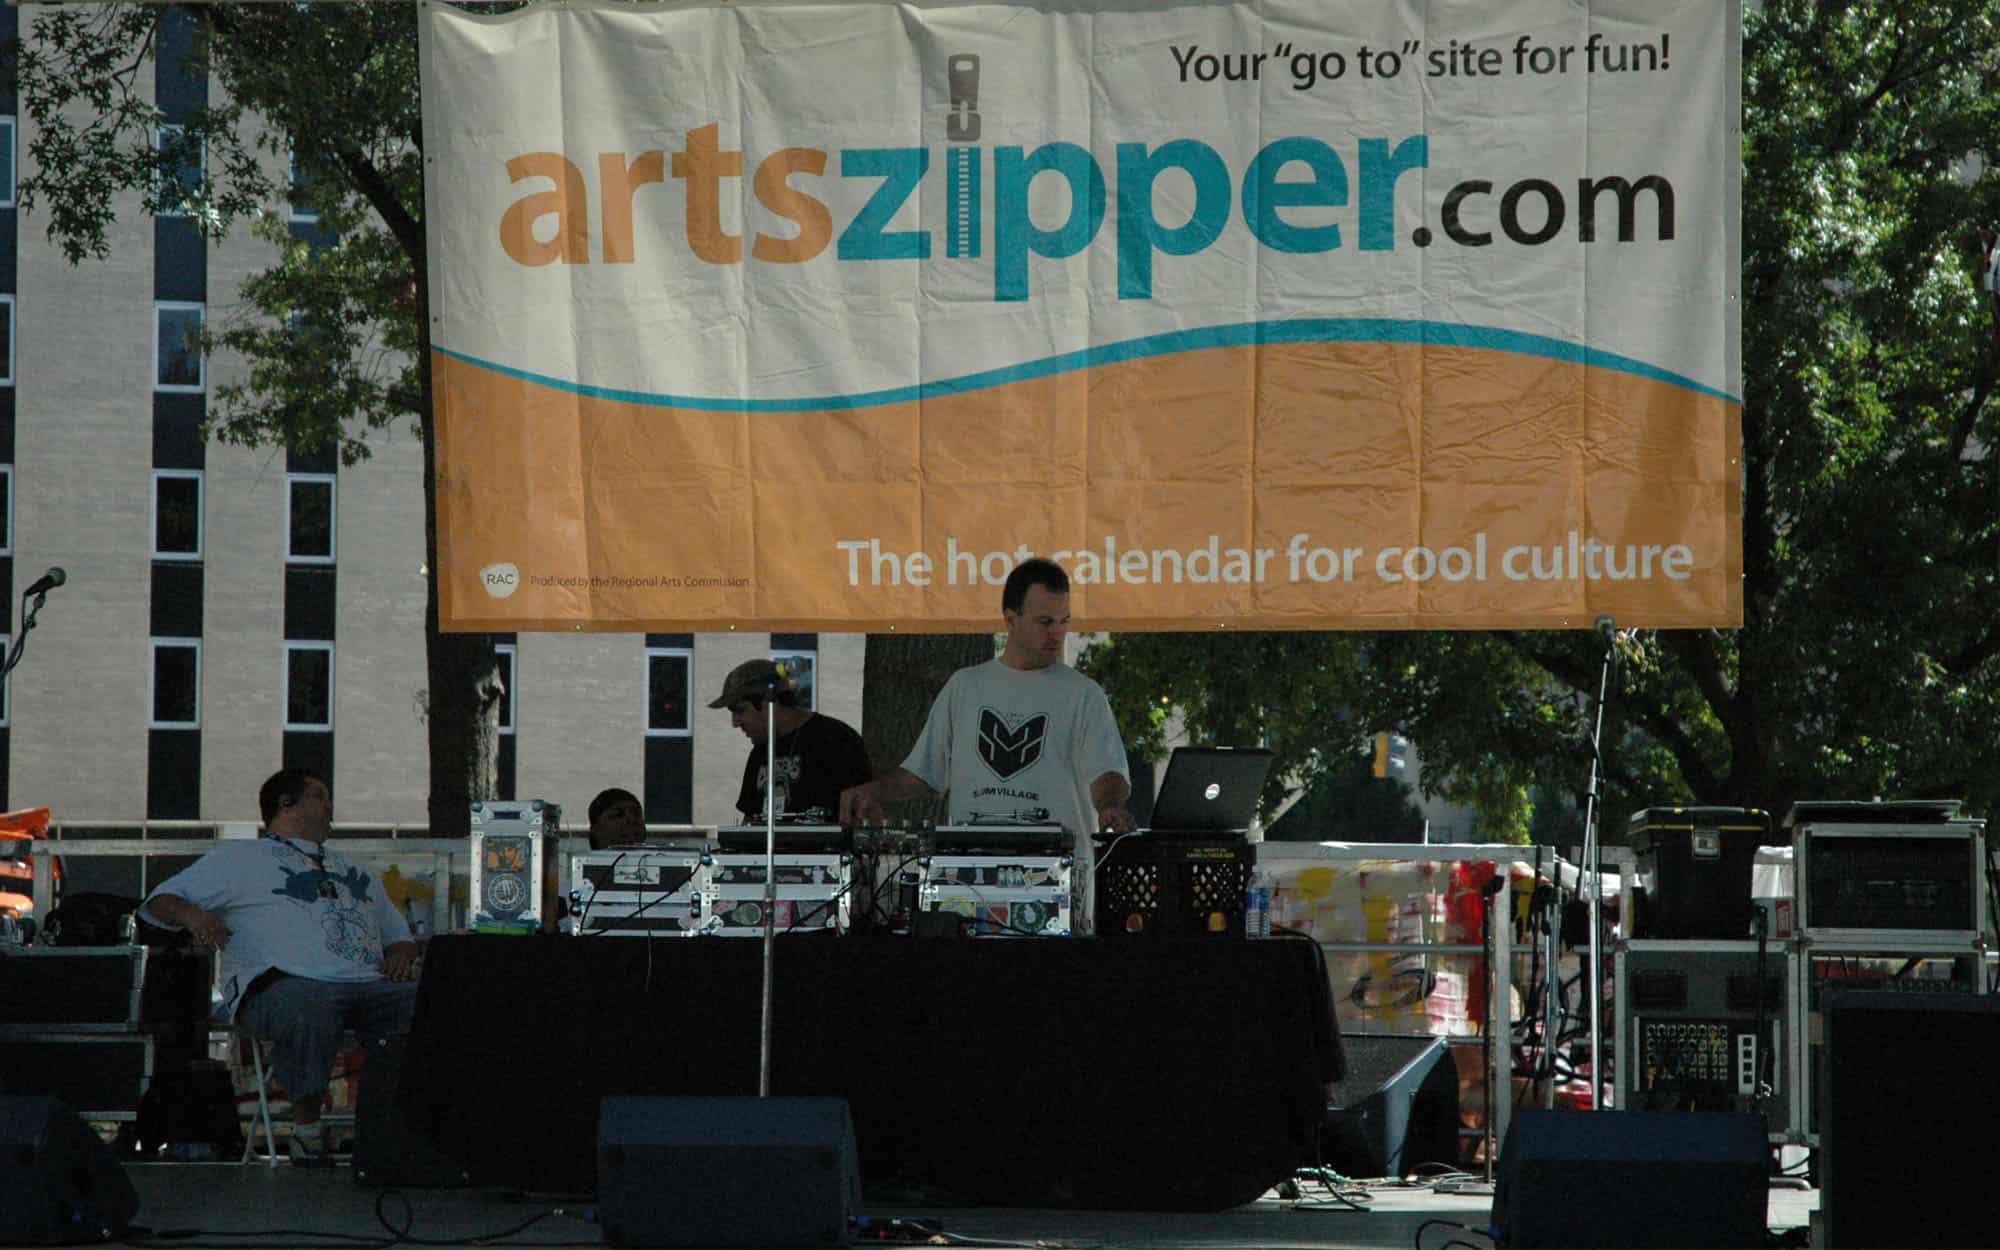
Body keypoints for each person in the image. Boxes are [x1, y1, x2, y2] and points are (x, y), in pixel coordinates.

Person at [139, 768, 420, 1166]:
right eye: (319, 795)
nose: (330, 805)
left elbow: (400, 935)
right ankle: (307, 1129)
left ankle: (409, 1128)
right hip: (277, 986)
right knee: (310, 1004)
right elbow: (157, 902)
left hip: (368, 986)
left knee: (435, 1001)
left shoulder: (356, 869)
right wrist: (196, 917)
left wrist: (401, 955)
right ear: (286, 804)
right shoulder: (239, 858)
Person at [838, 558, 1133, 932]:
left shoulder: (1084, 695)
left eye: (1064, 622)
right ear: (1011, 619)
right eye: (1045, 622)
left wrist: (1110, 806)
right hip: (969, 884)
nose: (1057, 634)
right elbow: (922, 773)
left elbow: (1107, 772)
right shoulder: (965, 686)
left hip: (1054, 890)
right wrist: (873, 791)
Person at [711, 658, 873, 822]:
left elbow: (863, 816)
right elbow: (750, 818)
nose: (735, 722)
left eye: (740, 710)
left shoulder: (838, 740)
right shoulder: (760, 752)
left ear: (769, 702)